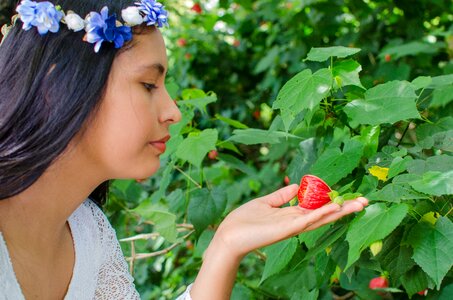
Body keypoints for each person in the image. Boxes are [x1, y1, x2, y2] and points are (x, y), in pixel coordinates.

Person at [0, 0, 368, 299]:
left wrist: (225, 246)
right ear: (57, 83)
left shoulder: (85, 232)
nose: (173, 111)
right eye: (148, 84)